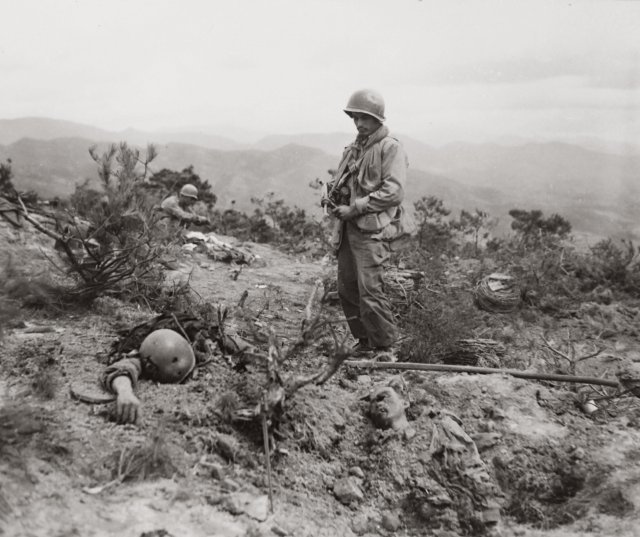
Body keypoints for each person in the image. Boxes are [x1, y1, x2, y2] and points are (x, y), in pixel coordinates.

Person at [322, 89, 414, 356]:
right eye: (356, 118)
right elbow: (344, 182)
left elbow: (394, 191)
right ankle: (364, 343)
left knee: (370, 289)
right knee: (346, 288)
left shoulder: (390, 147)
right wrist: (333, 198)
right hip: (348, 228)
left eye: (366, 118)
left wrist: (356, 207)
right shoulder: (353, 149)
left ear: (378, 120)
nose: (360, 123)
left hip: (372, 229)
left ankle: (384, 347)